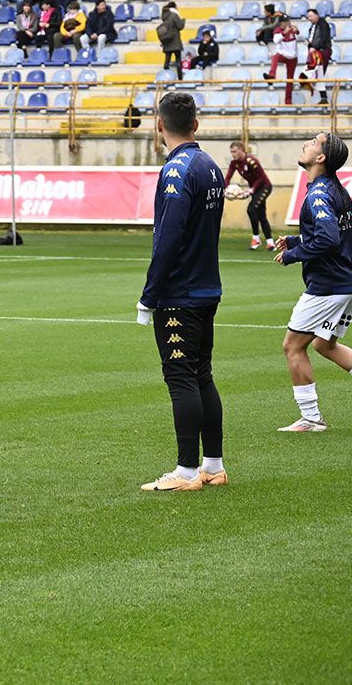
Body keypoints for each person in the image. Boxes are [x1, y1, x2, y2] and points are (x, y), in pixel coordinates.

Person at [135, 92, 226, 492]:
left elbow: (168, 239)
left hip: (180, 293)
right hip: (207, 286)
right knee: (201, 373)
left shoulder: (175, 171)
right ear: (196, 124)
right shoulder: (211, 165)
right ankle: (214, 465)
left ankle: (187, 471)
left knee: (180, 377)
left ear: (159, 125)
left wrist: (149, 295)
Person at [274, 133, 352, 433]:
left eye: (314, 142)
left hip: (328, 286)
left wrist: (294, 255)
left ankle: (311, 418)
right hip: (346, 284)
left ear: (321, 157)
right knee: (324, 345)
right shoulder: (335, 190)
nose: (306, 143)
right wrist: (293, 240)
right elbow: (328, 233)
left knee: (292, 346)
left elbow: (328, 238)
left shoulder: (317, 194)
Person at [225, 141, 273, 251]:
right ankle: (270, 242)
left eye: (235, 151)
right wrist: (224, 189)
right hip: (255, 189)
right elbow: (228, 177)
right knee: (261, 214)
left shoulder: (251, 161)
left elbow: (261, 178)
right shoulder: (234, 163)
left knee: (251, 209)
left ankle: (256, 238)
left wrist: (251, 190)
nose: (233, 154)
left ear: (242, 150)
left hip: (264, 187)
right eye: (231, 152)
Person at [302, 8, 332, 106]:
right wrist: (310, 47)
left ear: (316, 15)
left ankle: (310, 82)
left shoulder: (323, 24)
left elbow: (324, 37)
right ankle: (323, 97)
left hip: (322, 51)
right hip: (316, 52)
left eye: (310, 16)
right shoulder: (312, 27)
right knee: (319, 74)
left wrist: (315, 47)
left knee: (318, 72)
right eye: (308, 17)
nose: (309, 18)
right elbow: (311, 40)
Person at [157, 2, 184, 80]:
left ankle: (165, 78)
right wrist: (181, 18)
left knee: (167, 60)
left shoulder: (164, 15)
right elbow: (180, 26)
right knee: (178, 61)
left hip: (167, 41)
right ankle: (180, 79)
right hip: (175, 41)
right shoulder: (174, 15)